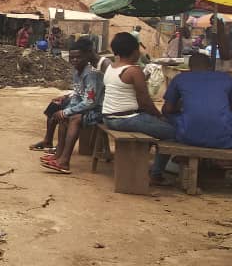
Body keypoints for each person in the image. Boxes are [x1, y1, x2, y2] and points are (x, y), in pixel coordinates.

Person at [101, 32, 175, 182]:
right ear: (135, 51)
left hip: (109, 117)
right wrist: (159, 116)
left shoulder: (111, 67)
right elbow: (145, 102)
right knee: (172, 133)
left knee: (157, 126)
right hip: (125, 119)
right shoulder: (134, 71)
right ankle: (156, 174)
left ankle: (144, 164)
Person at [39, 38, 103, 173]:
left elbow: (90, 102)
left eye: (78, 57)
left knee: (73, 118)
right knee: (64, 116)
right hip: (86, 108)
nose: (74, 60)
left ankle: (65, 161)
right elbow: (77, 95)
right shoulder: (76, 72)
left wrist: (68, 112)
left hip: (98, 110)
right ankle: (58, 156)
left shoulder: (91, 74)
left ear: (86, 56)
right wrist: (66, 111)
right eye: (72, 58)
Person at [163, 52, 232, 150]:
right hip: (224, 139)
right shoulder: (226, 78)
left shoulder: (180, 78)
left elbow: (167, 109)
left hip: (188, 137)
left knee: (169, 114)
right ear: (210, 66)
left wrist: (180, 107)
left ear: (189, 67)